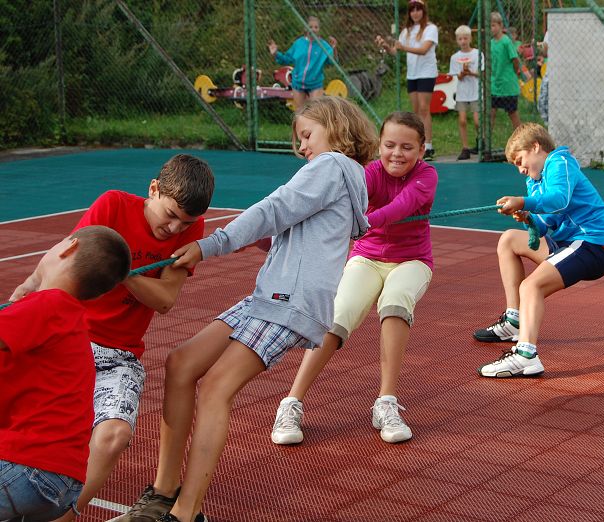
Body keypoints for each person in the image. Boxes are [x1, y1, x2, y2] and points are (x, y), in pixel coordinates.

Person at [123, 96, 377, 522]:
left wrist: (212, 244)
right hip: (273, 296)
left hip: (288, 300)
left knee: (216, 387)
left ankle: (185, 513)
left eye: (307, 135)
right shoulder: (346, 176)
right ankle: (165, 492)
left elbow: (276, 208)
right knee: (181, 363)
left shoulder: (331, 166)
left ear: (335, 127)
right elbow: (300, 231)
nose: (302, 147)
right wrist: (273, 240)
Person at [9, 154, 215, 522]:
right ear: (153, 189)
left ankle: (64, 516)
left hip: (119, 354)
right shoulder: (113, 205)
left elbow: (165, 300)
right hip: (69, 338)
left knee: (115, 433)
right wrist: (30, 286)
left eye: (185, 222)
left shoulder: (190, 228)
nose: (174, 228)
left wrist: (119, 271)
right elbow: (67, 255)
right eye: (170, 215)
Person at [270, 111, 437, 446]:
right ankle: (291, 403)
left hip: (412, 260)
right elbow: (347, 200)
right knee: (338, 315)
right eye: (389, 145)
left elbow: (402, 207)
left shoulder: (427, 175)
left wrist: (361, 222)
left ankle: (386, 402)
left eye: (407, 147)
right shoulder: (369, 173)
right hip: (367, 258)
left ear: (421, 150)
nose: (397, 153)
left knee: (395, 302)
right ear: (379, 146)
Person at [0, 226, 131, 522]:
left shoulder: (48, 304)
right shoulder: (68, 318)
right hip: (61, 479)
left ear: (69, 247)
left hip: (27, 464)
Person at [473, 123, 604, 378]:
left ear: (535, 147)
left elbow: (559, 200)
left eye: (520, 161)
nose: (520, 169)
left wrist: (524, 202)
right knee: (509, 240)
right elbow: (544, 224)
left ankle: (526, 356)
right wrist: (527, 218)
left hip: (593, 243)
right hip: (569, 242)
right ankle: (514, 321)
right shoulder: (535, 181)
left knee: (531, 286)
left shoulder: (560, 162)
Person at [376, 0, 438, 160]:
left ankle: (429, 146)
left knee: (424, 109)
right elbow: (395, 51)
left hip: (426, 73)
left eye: (418, 9)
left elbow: (424, 50)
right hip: (412, 74)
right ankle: (418, 145)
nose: (415, 13)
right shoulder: (407, 31)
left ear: (423, 11)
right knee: (416, 111)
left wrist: (403, 48)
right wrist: (385, 46)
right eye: (412, 10)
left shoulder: (430, 28)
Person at [268, 15, 337, 110]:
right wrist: (276, 53)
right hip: (298, 83)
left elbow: (332, 62)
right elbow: (287, 59)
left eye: (316, 27)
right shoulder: (298, 43)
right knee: (300, 113)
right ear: (305, 28)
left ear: (319, 29)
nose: (313, 29)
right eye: (310, 27)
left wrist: (334, 49)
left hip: (315, 84)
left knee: (315, 111)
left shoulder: (323, 45)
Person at [449, 25, 482, 160]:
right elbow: (457, 76)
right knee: (462, 120)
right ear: (457, 40)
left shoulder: (477, 54)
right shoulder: (455, 57)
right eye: (460, 39)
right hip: (462, 93)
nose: (463, 41)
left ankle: (480, 141)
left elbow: (481, 73)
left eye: (465, 38)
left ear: (470, 39)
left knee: (477, 121)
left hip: (475, 92)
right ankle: (465, 148)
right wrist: (462, 74)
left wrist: (471, 72)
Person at [490, 11, 523, 131]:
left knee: (512, 113)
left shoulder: (506, 41)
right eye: (489, 26)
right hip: (495, 84)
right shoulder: (491, 43)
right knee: (491, 112)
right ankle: (486, 140)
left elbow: (515, 59)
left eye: (493, 25)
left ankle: (521, 138)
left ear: (500, 25)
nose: (491, 29)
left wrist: (515, 71)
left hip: (507, 85)